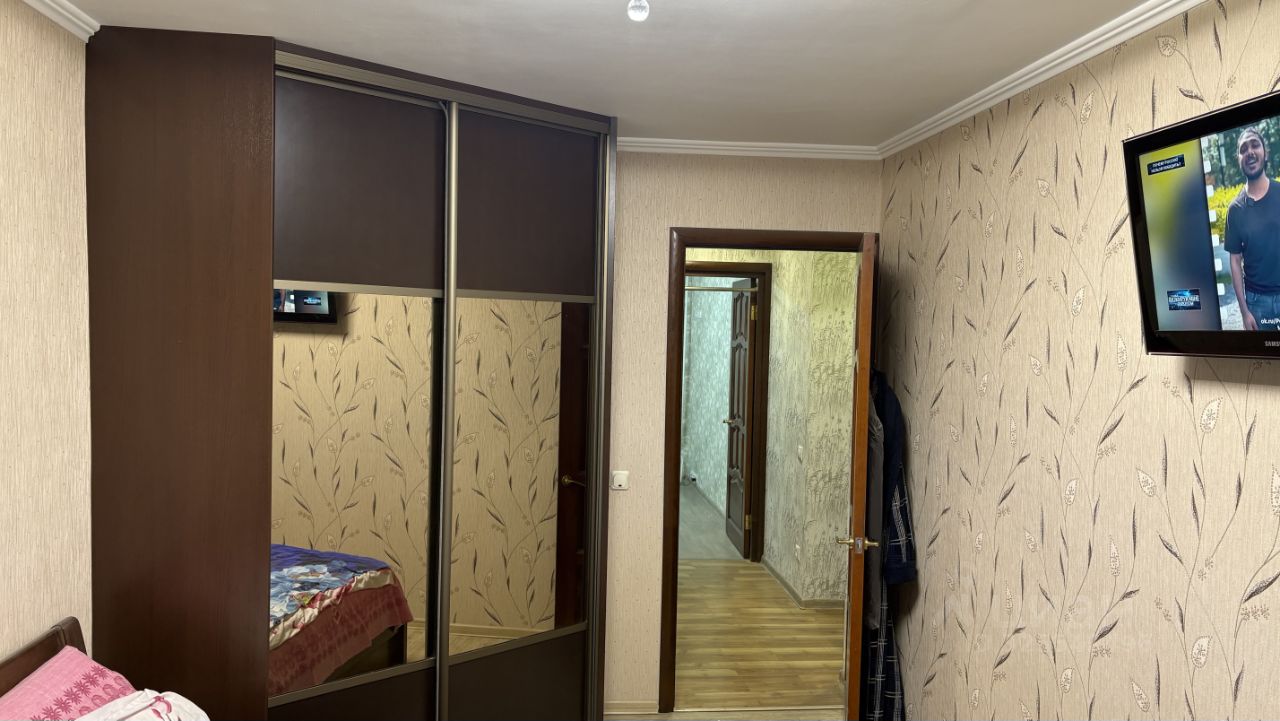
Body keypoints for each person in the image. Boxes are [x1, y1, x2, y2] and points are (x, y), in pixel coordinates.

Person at [1225, 126, 1280, 330]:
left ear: (1265, 153)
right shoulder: (1235, 210)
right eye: (1243, 149)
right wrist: (1244, 311)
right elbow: (1235, 260)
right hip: (1257, 304)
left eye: (1255, 145)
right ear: (1239, 159)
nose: (1249, 151)